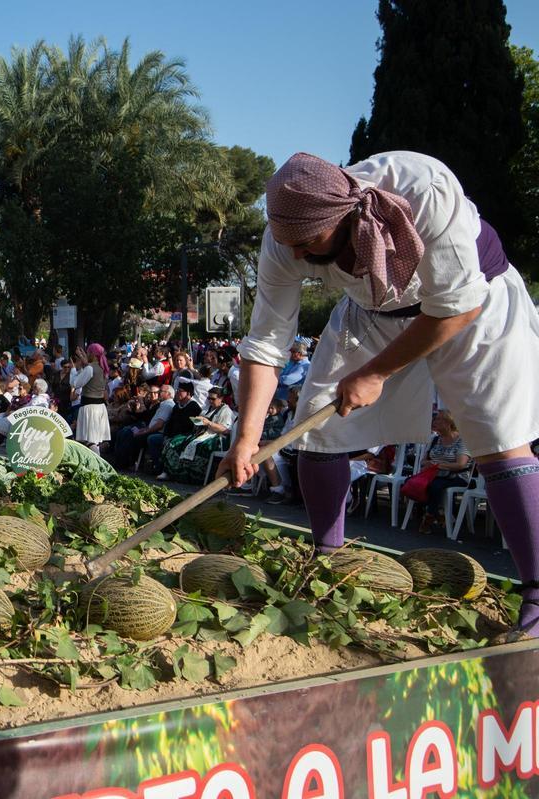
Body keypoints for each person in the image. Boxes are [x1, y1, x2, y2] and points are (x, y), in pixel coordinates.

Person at [220, 150, 539, 638]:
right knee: (317, 430)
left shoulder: (424, 187)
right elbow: (266, 342)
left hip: (476, 304)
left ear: (344, 216)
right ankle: (327, 564)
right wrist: (246, 437)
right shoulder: (285, 238)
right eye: (289, 244)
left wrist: (376, 373)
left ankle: (537, 596)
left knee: (498, 438)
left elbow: (457, 307)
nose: (298, 255)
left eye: (308, 243)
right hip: (373, 313)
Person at [159, 386, 234, 483]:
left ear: (221, 398)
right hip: (199, 434)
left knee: (201, 447)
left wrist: (208, 423)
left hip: (215, 437)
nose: (210, 401)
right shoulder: (207, 408)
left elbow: (226, 430)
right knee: (175, 441)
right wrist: (197, 422)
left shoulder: (226, 411)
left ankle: (195, 477)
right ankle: (170, 472)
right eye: (209, 398)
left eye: (213, 399)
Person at [417, 410, 473, 535]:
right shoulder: (435, 439)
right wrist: (429, 464)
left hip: (457, 476)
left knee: (435, 486)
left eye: (438, 419)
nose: (434, 421)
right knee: (412, 483)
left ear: (449, 423)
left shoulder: (462, 441)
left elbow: (460, 464)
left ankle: (429, 517)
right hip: (436, 474)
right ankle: (439, 514)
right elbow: (424, 460)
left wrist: (437, 465)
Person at [152, 378, 202, 477]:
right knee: (153, 439)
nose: (177, 393)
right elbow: (170, 423)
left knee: (171, 443)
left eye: (180, 391)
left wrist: (173, 437)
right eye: (177, 390)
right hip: (171, 435)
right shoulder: (176, 406)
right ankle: (157, 466)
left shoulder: (194, 407)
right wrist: (166, 435)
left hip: (184, 436)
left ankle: (168, 471)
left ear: (188, 393)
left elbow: (192, 426)